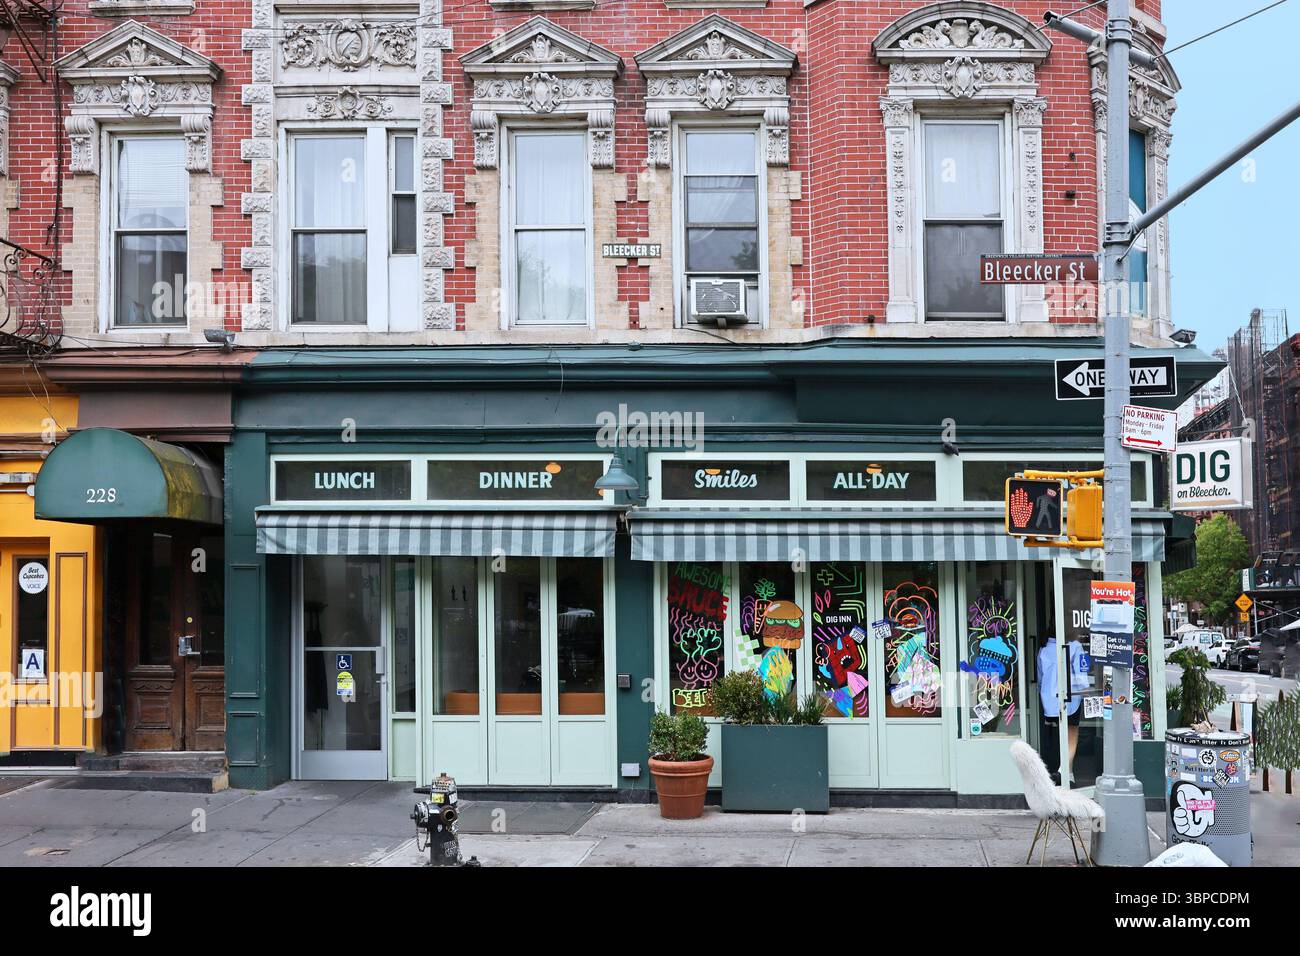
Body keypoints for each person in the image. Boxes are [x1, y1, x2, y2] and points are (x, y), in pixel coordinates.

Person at [1037, 636, 1087, 778]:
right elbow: (1082, 675)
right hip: (1071, 699)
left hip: (1049, 700)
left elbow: (1040, 677)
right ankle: (1067, 770)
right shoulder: (1076, 646)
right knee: (1071, 733)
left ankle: (1058, 768)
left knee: (1056, 733)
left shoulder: (1044, 649)